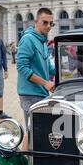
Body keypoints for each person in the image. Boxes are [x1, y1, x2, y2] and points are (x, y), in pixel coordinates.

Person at [16, 8, 56, 149]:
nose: (48, 26)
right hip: (30, 93)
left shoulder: (42, 41)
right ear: (36, 22)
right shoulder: (28, 39)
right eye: (45, 22)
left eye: (51, 23)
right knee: (33, 130)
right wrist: (46, 83)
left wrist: (66, 74)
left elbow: (48, 67)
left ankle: (30, 163)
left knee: (34, 130)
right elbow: (22, 68)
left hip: (40, 93)